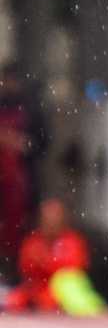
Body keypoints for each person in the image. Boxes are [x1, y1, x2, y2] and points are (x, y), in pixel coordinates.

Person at [6, 197, 102, 314]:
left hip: (63, 291)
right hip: (38, 291)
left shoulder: (72, 240)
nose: (51, 221)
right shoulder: (33, 241)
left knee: (67, 283)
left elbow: (75, 267)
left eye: (55, 217)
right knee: (12, 300)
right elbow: (25, 268)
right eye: (48, 218)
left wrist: (45, 262)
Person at [0, 64, 48, 282]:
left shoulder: (31, 111)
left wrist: (24, 145)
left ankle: (20, 277)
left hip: (22, 184)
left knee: (22, 230)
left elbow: (43, 143)